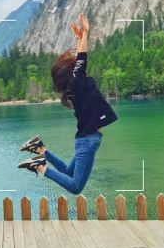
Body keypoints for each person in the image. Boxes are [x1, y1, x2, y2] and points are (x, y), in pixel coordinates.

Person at [18, 13, 118, 194]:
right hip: (88, 140)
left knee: (67, 172)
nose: (77, 65)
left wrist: (79, 38)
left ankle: (40, 149)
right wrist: (85, 34)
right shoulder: (76, 83)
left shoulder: (76, 86)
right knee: (75, 187)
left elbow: (80, 63)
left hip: (86, 139)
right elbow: (82, 60)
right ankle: (40, 167)